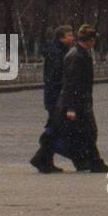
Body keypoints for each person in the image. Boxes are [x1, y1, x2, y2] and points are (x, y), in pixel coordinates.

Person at [56, 24, 108, 173]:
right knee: (90, 132)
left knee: (83, 133)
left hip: (81, 101)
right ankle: (95, 163)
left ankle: (83, 162)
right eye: (94, 40)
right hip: (79, 102)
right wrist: (71, 108)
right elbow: (72, 83)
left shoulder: (78, 53)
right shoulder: (78, 56)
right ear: (90, 40)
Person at [29, 24, 74, 173]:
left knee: (56, 128)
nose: (72, 38)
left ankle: (45, 160)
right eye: (69, 35)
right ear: (61, 38)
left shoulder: (59, 51)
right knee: (56, 129)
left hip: (54, 97)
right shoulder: (58, 53)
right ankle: (41, 158)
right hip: (56, 98)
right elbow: (57, 77)